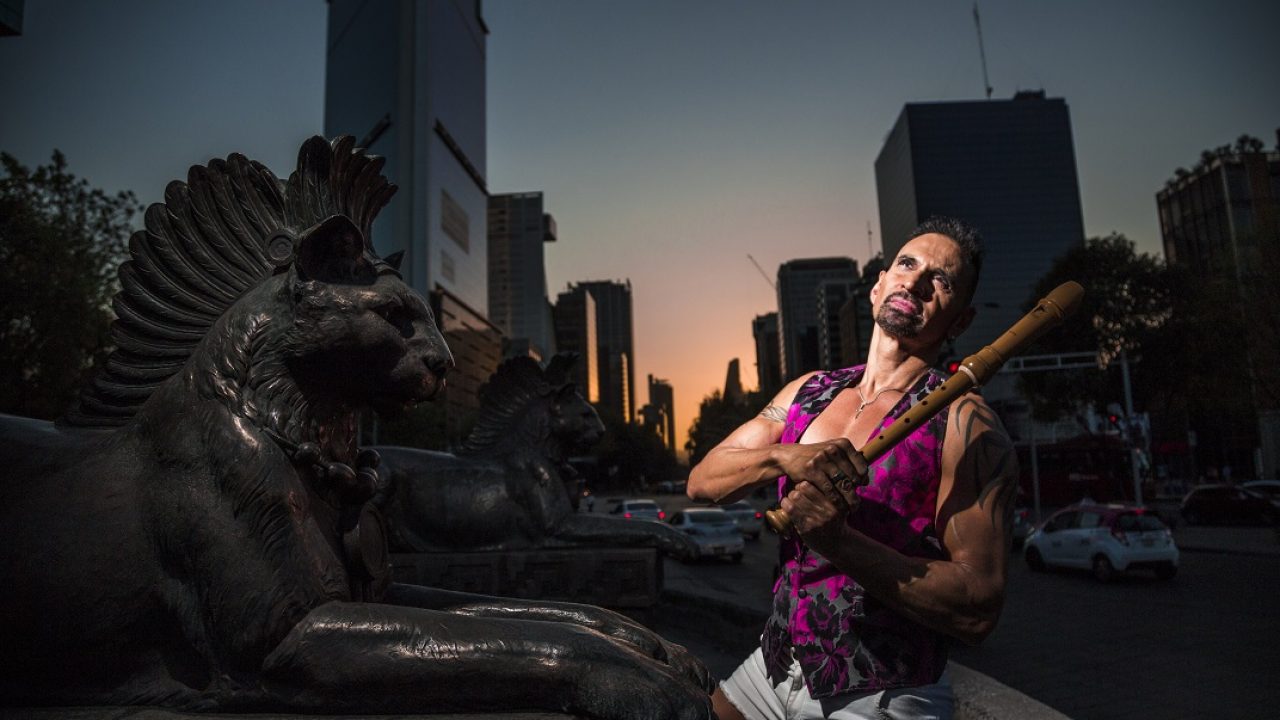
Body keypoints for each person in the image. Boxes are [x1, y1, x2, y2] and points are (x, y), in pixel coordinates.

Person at [687, 217, 1018, 720]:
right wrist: (785, 455)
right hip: (775, 666)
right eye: (906, 264)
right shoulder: (809, 391)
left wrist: (837, 541)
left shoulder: (968, 425)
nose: (916, 281)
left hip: (880, 693)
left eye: (941, 281)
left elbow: (977, 608)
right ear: (878, 286)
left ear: (960, 322)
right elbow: (703, 481)